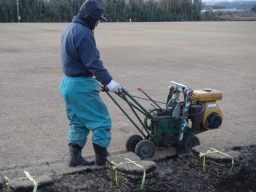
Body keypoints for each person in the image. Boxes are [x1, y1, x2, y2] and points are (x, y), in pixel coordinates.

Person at [60, 0, 122, 167]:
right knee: (101, 121)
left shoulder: (69, 28)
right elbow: (92, 63)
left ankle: (75, 159)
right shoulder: (84, 33)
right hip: (81, 86)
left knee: (78, 122)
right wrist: (110, 82)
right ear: (89, 17)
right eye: (97, 19)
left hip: (68, 83)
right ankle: (102, 160)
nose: (98, 22)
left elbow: (79, 59)